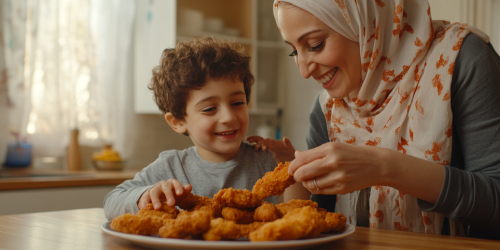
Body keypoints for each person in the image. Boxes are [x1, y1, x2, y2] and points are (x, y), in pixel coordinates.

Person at [250, 0, 500, 240]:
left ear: (363, 18)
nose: (304, 71)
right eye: (294, 50)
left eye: (315, 45)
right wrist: (298, 174)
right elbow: (317, 219)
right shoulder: (327, 109)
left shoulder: (461, 61)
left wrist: (385, 167)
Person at [103, 37, 288, 220]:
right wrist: (146, 194)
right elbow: (111, 202)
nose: (228, 117)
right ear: (178, 122)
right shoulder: (171, 166)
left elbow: (298, 213)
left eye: (238, 103)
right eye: (209, 109)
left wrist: (292, 166)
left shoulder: (267, 162)